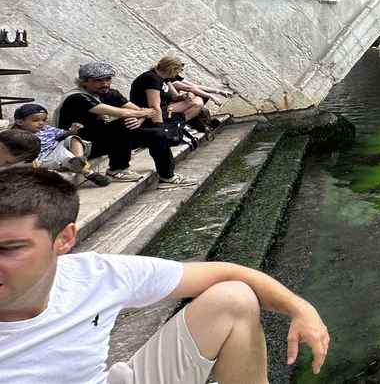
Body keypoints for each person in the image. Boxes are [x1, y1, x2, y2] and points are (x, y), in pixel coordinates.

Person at [0, 168, 330, 384]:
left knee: (233, 298)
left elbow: (226, 272)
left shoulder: (97, 275)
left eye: (10, 248)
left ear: (65, 239)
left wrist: (302, 311)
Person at [56, 63, 191, 186]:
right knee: (123, 123)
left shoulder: (110, 93)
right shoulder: (77, 98)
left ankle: (168, 177)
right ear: (84, 82)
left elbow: (141, 111)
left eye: (108, 79)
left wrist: (138, 118)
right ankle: (117, 169)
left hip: (106, 140)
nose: (105, 84)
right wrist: (139, 115)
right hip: (80, 144)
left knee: (157, 134)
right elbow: (122, 113)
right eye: (98, 80)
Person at [9, 104, 110, 186]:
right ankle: (89, 173)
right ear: (20, 122)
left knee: (73, 139)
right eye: (36, 120)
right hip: (44, 156)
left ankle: (79, 158)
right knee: (66, 157)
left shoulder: (47, 129)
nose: (41, 123)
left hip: (57, 147)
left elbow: (65, 134)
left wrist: (72, 131)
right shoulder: (16, 135)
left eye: (43, 120)